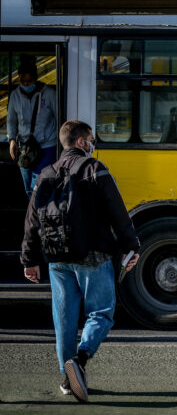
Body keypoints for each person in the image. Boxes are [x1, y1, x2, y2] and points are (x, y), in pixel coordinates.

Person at [20, 120, 141, 403]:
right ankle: (81, 361)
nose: (92, 144)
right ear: (81, 142)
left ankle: (67, 379)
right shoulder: (94, 169)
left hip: (56, 259)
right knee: (101, 312)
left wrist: (29, 258)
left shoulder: (45, 173)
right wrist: (131, 247)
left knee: (64, 321)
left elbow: (31, 220)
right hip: (92, 255)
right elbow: (118, 212)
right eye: (90, 139)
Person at [8, 58, 59, 197]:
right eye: (22, 81)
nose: (26, 84)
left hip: (47, 145)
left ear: (36, 78)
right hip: (25, 147)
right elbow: (11, 120)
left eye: (29, 81)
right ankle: (35, 214)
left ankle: (39, 216)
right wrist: (12, 140)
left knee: (39, 185)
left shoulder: (49, 94)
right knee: (28, 188)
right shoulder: (15, 95)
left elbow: (59, 117)